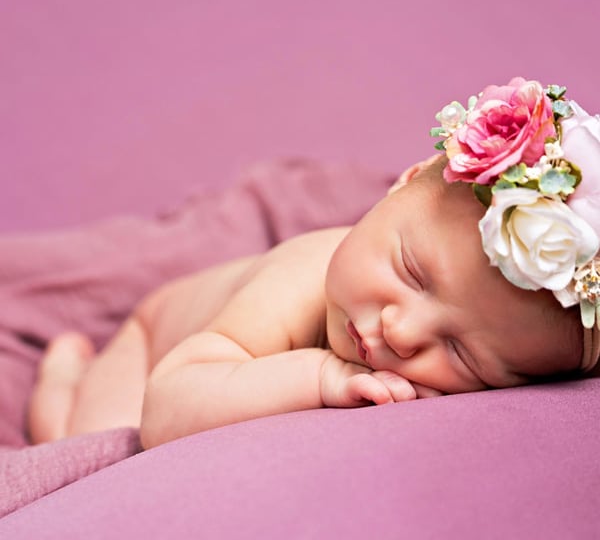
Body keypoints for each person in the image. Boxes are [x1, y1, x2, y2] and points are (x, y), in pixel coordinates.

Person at [28, 77, 600, 450]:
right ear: (399, 186)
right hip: (154, 348)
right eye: (411, 272)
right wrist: (321, 377)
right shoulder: (304, 272)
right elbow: (168, 406)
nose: (401, 333)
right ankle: (64, 377)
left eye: (463, 353)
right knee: (97, 442)